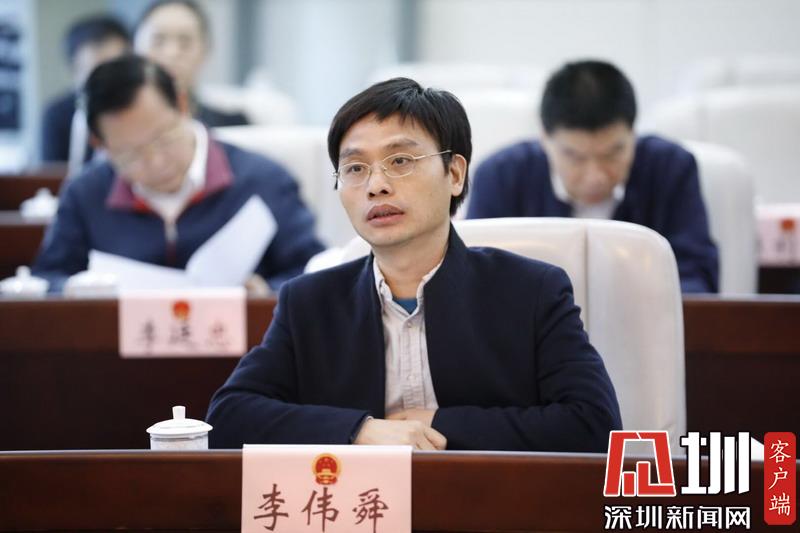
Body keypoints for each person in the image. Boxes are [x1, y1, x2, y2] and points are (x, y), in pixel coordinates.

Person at [206, 77, 621, 451]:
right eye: (355, 168)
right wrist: (360, 430)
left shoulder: (531, 291)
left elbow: (594, 424)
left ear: (454, 174)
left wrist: (436, 425)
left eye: (400, 161)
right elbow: (228, 417)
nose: (376, 185)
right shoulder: (309, 302)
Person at [32, 55, 323, 292]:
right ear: (101, 145)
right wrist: (76, 288)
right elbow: (47, 279)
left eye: (163, 138)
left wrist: (265, 292)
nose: (156, 162)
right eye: (130, 154)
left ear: (183, 106)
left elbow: (314, 273)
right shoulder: (85, 194)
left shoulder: (264, 180)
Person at [467, 60, 719, 293]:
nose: (595, 176)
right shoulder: (500, 176)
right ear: (544, 138)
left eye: (613, 153)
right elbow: (476, 279)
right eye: (575, 157)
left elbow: (696, 276)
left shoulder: (671, 168)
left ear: (633, 133)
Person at [133, 0, 248, 127]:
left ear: (205, 50)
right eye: (158, 40)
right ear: (135, 47)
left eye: (185, 43)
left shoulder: (235, 127)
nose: (172, 53)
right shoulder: (119, 125)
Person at [40, 15, 130, 168]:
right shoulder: (56, 115)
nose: (108, 80)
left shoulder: (141, 107)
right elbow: (52, 175)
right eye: (96, 71)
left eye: (116, 68)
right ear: (75, 71)